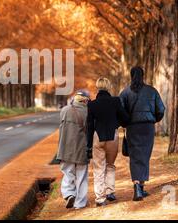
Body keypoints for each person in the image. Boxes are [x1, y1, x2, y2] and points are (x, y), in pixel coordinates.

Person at [119, 66, 165, 201]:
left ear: (131, 75)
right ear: (143, 75)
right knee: (145, 155)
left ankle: (137, 186)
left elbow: (120, 111)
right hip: (147, 127)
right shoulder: (152, 91)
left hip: (133, 128)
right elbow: (161, 109)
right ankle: (141, 187)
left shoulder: (125, 92)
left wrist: (125, 123)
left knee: (135, 156)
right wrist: (154, 120)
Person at [86, 78, 130, 206]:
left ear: (97, 88)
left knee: (99, 168)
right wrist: (117, 123)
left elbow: (89, 126)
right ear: (109, 87)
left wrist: (88, 145)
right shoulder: (115, 101)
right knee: (110, 165)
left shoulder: (92, 104)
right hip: (113, 137)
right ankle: (110, 192)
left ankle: (100, 198)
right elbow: (125, 118)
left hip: (97, 138)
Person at [56, 90, 90, 209]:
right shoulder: (87, 112)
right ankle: (80, 203)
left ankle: (69, 194)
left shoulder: (64, 110)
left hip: (65, 147)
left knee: (67, 172)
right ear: (85, 100)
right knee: (81, 176)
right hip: (81, 148)